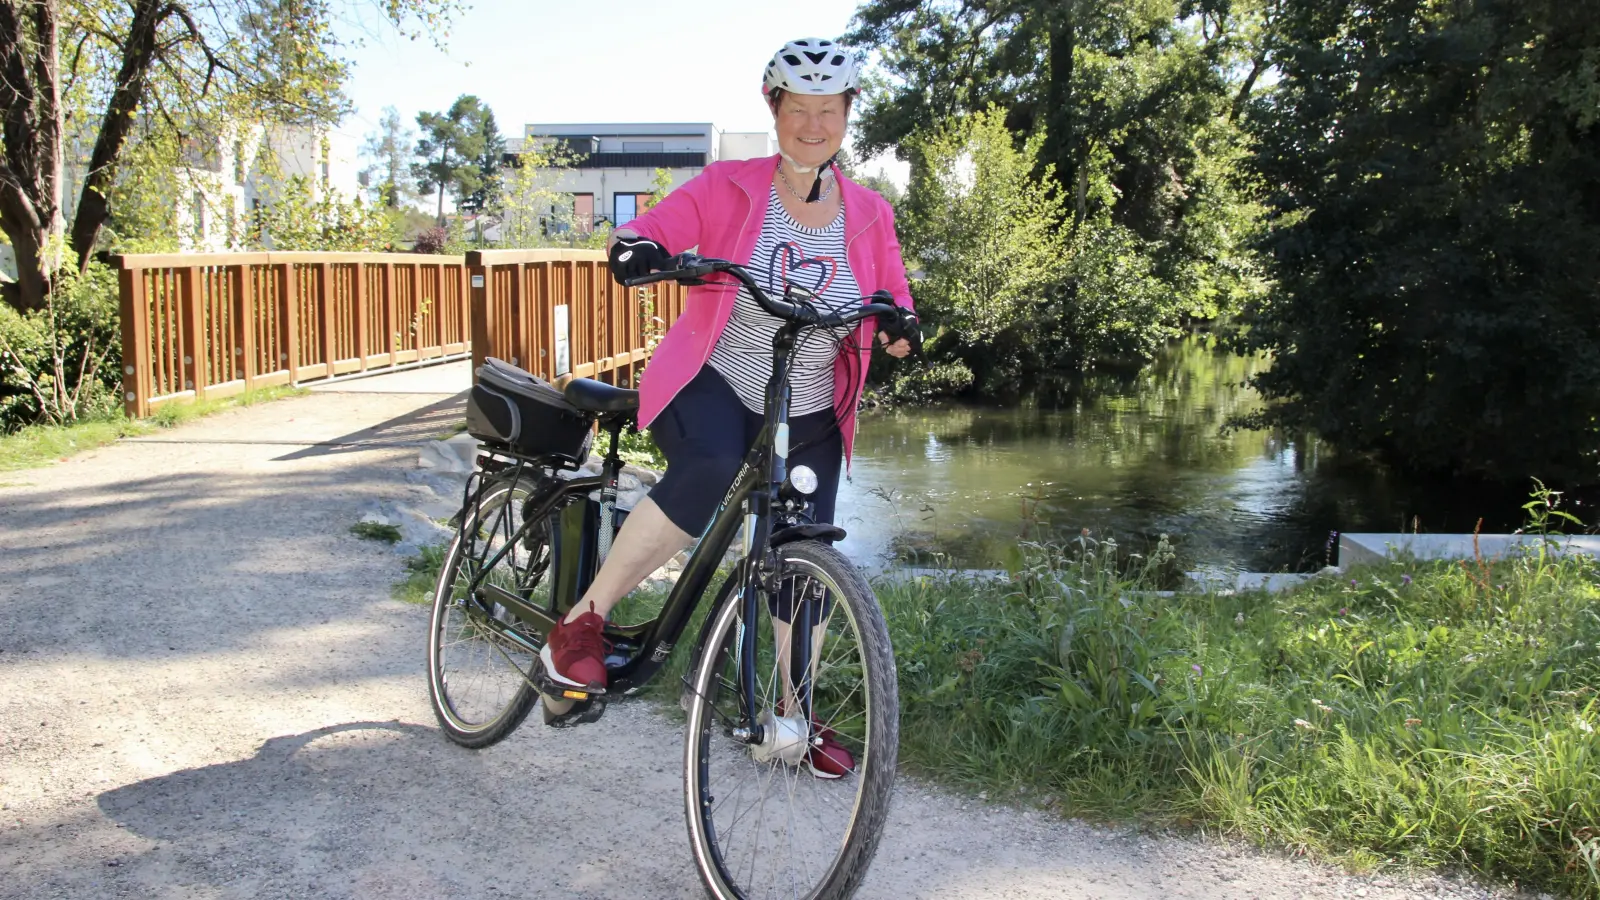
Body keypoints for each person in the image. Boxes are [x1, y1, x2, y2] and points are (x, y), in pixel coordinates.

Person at [540, 37, 916, 775]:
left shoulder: (871, 213)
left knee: (803, 551)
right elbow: (651, 229)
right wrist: (635, 248)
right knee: (710, 463)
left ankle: (794, 716)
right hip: (715, 379)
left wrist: (903, 326)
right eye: (799, 109)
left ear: (847, 115)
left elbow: (893, 294)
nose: (814, 125)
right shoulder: (729, 186)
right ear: (775, 111)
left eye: (828, 110)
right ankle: (582, 624)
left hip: (811, 404)